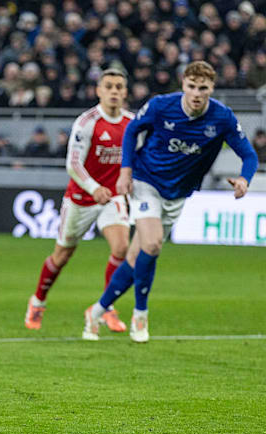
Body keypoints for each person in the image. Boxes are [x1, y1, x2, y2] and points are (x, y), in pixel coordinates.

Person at [83, 61, 258, 343]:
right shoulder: (161, 106)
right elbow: (132, 131)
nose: (197, 94)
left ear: (212, 88)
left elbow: (249, 155)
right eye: (192, 87)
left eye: (203, 88)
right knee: (152, 245)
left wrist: (244, 180)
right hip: (146, 180)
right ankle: (140, 315)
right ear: (183, 84)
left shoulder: (222, 117)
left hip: (178, 192)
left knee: (136, 257)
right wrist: (125, 171)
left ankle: (97, 310)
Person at [24, 69, 134, 332]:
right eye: (109, 86)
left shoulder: (132, 123)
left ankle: (106, 307)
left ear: (125, 92)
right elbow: (73, 164)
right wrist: (94, 188)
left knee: (121, 248)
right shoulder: (87, 122)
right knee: (62, 255)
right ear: (99, 91)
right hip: (81, 198)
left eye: (119, 87)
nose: (114, 91)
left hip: (113, 196)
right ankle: (37, 301)